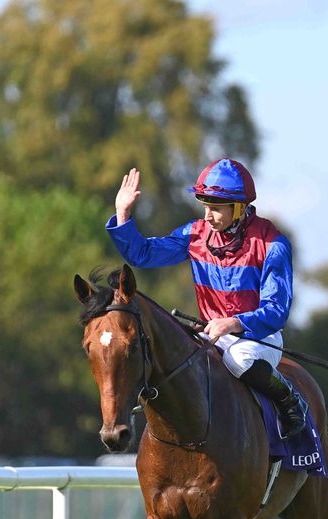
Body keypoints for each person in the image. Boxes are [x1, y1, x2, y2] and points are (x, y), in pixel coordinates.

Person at [106, 158, 306, 438]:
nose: (208, 216)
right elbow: (143, 254)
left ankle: (289, 400)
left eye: (215, 209)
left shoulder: (273, 245)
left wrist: (233, 323)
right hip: (210, 334)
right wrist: (123, 214)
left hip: (258, 338)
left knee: (238, 360)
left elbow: (276, 311)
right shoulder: (194, 235)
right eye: (205, 208)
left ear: (238, 208)